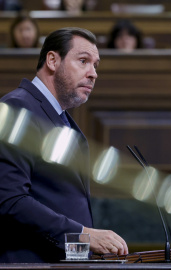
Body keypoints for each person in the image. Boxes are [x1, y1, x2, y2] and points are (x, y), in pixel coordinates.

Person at [0, 27, 128, 263]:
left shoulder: (61, 118)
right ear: (52, 60)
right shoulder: (19, 108)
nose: (93, 74)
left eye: (95, 65)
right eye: (83, 61)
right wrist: (83, 235)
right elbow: (10, 200)